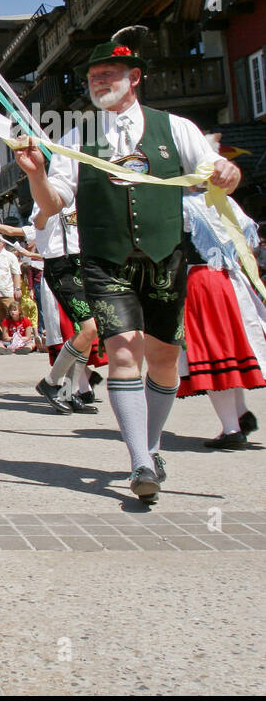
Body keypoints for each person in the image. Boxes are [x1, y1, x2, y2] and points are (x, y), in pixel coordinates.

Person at [18, 39, 241, 504]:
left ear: (134, 78)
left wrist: (226, 174)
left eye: (109, 74)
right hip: (105, 260)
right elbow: (55, 202)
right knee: (123, 354)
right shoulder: (77, 137)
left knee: (162, 358)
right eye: (94, 76)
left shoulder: (174, 127)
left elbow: (212, 171)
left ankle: (152, 446)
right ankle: (139, 458)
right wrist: (37, 175)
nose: (99, 81)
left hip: (164, 259)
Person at [177, 191, 263, 448]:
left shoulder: (182, 204)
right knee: (228, 349)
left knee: (212, 353)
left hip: (200, 280)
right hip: (229, 278)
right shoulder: (223, 199)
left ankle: (231, 428)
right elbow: (250, 237)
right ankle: (239, 414)